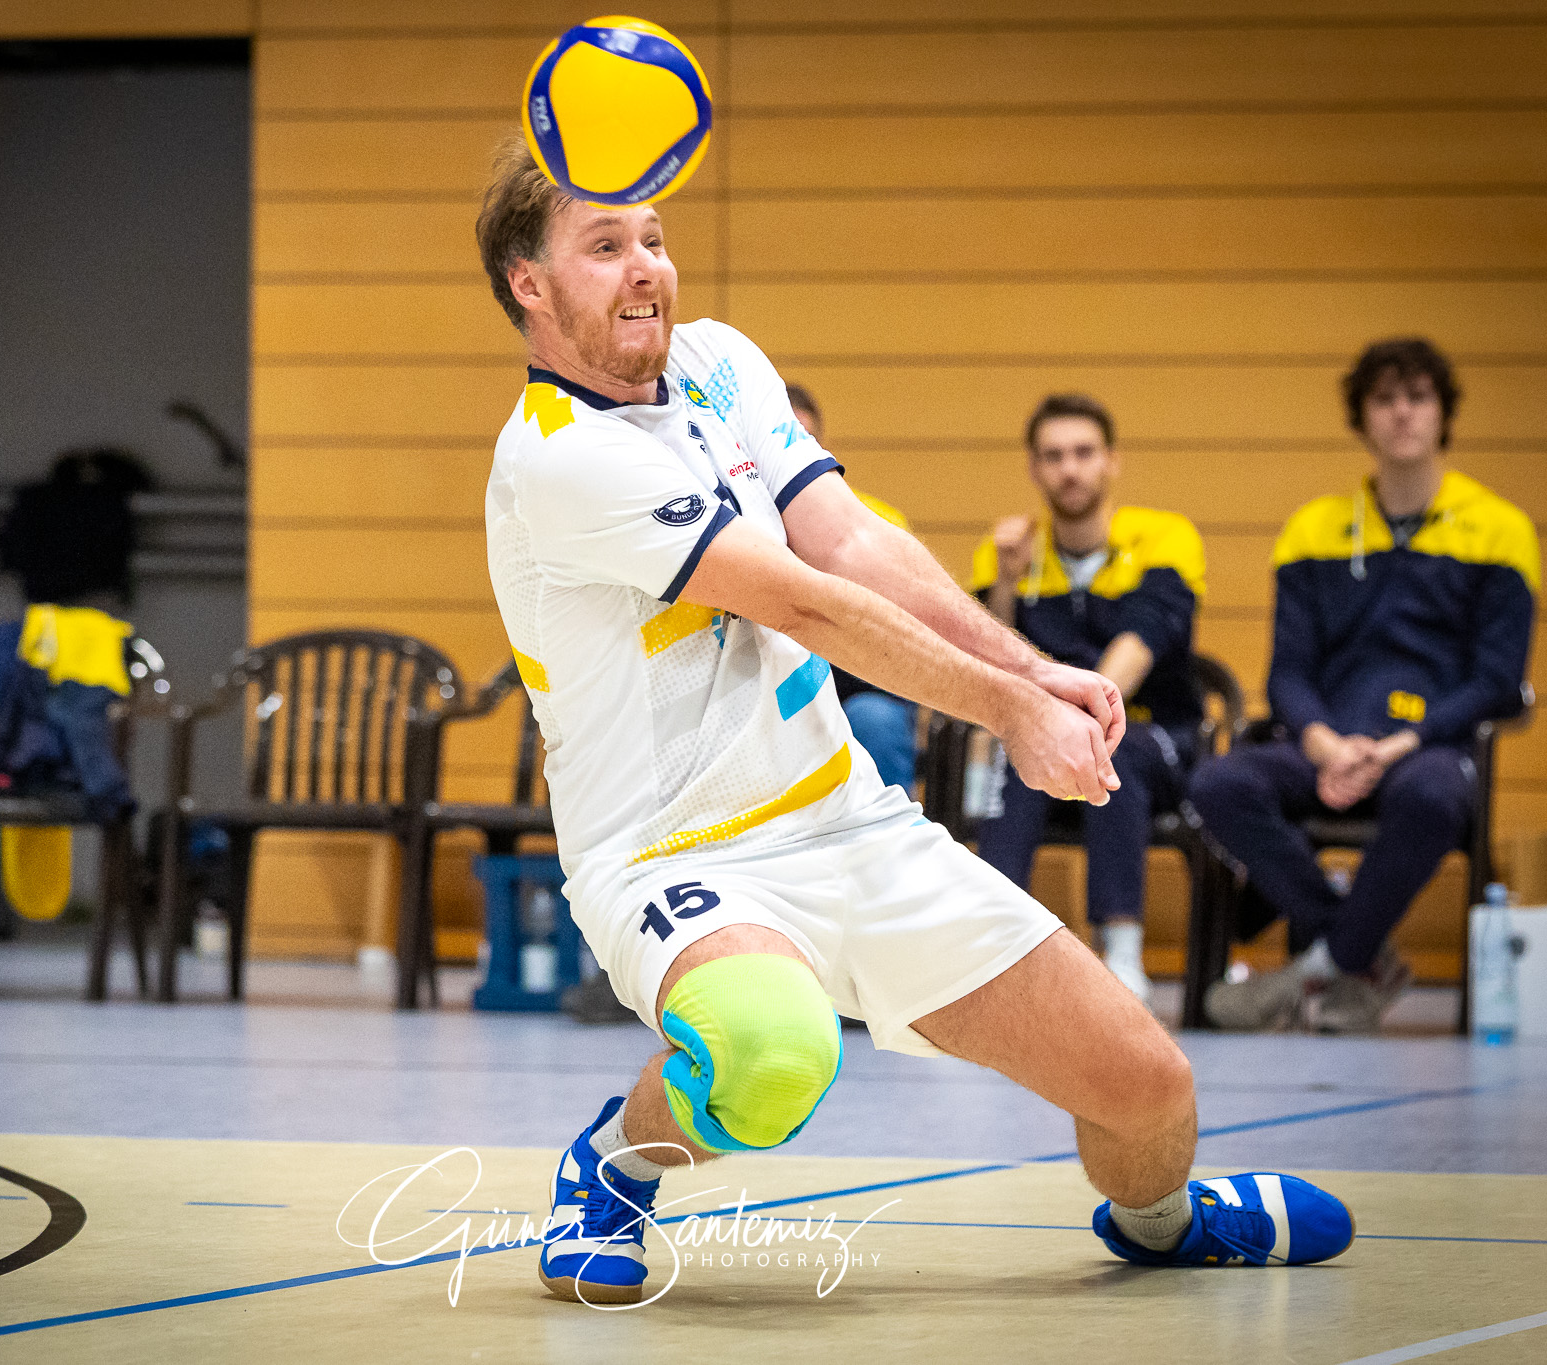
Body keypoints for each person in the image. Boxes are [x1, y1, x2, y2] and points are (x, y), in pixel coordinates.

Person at [476, 137, 1351, 1307]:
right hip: (671, 858)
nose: (646, 270)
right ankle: (613, 1167)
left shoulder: (721, 363)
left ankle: (1161, 1220)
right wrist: (1008, 710)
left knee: (1148, 1092)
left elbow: (850, 540)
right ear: (528, 284)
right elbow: (803, 596)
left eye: (654, 238)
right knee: (769, 1049)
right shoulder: (557, 459)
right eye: (604, 246)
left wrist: (1034, 667)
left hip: (848, 827)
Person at [1193, 338, 1537, 1034]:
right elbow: (1286, 670)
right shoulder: (1312, 530)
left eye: (1417, 397)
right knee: (1219, 784)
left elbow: (1498, 681)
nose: (1402, 413)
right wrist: (1323, 742)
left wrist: (1400, 745)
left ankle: (1319, 964)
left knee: (1437, 798)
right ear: (1362, 418)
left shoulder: (1502, 531)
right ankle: (1362, 953)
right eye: (1384, 399)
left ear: (1443, 413)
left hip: (1429, 748)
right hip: (1328, 739)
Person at [971, 395, 1207, 1005]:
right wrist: (1005, 584)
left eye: (1083, 453)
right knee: (1020, 753)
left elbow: (1142, 641)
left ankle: (1123, 954)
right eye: (1052, 457)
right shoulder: (1008, 554)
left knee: (1111, 748)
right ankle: (991, 953)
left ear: (1112, 462)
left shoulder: (1166, 539)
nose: (1069, 470)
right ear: (1033, 469)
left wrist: (1080, 714)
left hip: (1158, 736)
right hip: (1046, 738)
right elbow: (990, 662)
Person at [783, 382, 920, 793]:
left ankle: (891, 853)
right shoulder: (737, 526)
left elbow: (906, 641)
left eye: (800, 440)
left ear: (822, 447)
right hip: (777, 687)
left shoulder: (880, 521)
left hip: (867, 686)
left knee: (874, 720)